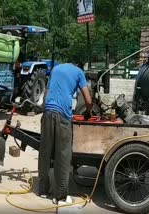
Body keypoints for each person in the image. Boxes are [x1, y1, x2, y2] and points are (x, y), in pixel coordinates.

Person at [38, 62, 92, 204]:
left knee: (45, 152)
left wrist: (47, 110)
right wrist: (88, 112)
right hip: (63, 115)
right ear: (79, 65)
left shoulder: (56, 68)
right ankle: (61, 196)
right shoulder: (79, 72)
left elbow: (47, 92)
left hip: (48, 112)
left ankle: (43, 190)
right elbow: (88, 100)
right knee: (63, 155)